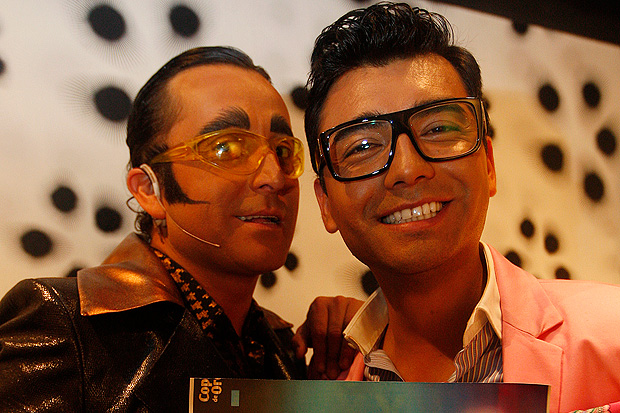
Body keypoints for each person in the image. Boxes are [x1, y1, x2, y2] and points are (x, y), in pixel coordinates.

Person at [303, 3, 620, 412]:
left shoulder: (612, 333)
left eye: (438, 128)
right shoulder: (326, 391)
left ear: (488, 164)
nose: (408, 169)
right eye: (363, 146)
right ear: (325, 203)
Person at [0, 46, 352, 412]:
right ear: (149, 190)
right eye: (227, 148)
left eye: (283, 151)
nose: (274, 177)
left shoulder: (282, 348)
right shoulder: (65, 326)